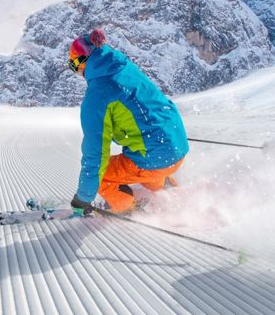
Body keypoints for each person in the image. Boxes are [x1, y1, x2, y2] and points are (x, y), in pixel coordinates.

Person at [68, 28, 189, 215]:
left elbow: (96, 154)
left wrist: (83, 198)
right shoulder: (126, 68)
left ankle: (128, 209)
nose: (78, 73)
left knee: (103, 176)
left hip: (155, 158)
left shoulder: (98, 93)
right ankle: (165, 186)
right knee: (144, 162)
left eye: (74, 66)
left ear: (82, 62)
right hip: (178, 147)